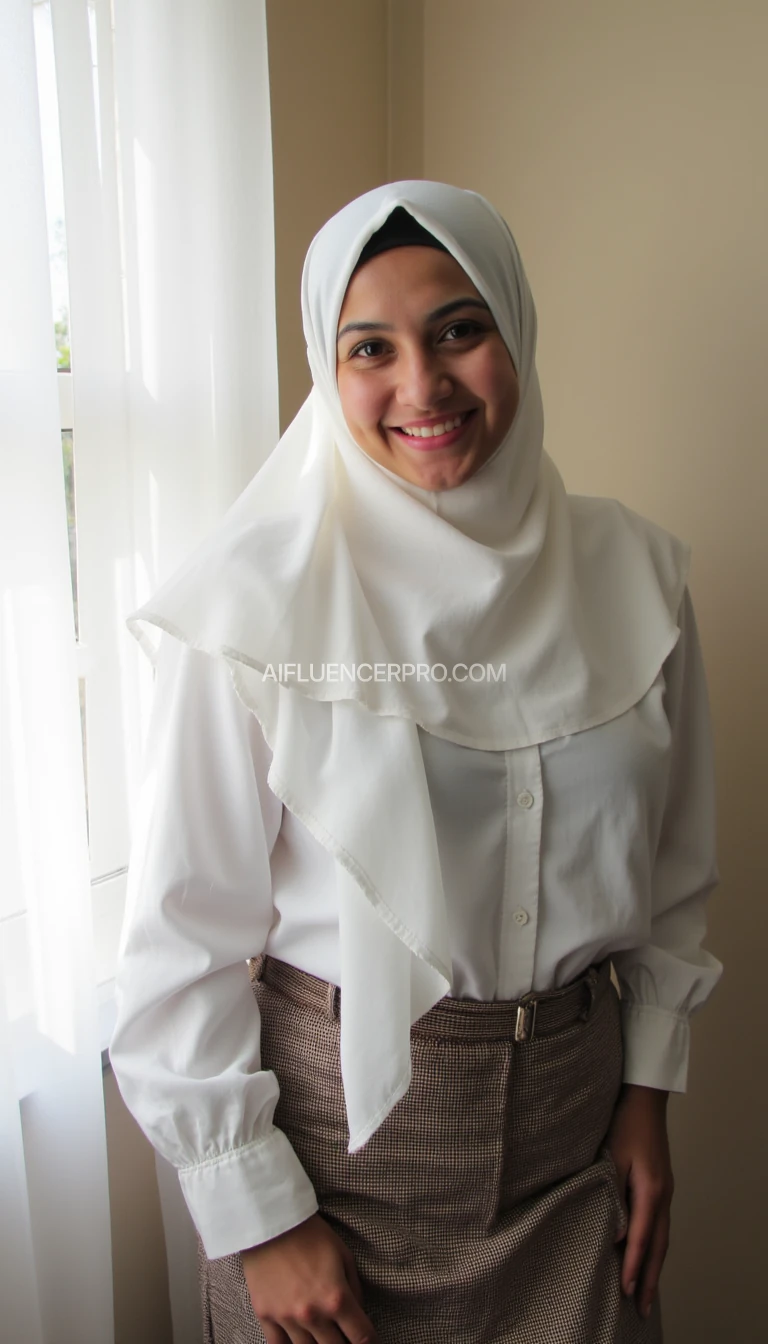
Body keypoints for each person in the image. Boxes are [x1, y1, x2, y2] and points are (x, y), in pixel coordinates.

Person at [110, 181, 722, 1344]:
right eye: (369, 349)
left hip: (576, 1155)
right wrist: (258, 1215)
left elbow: (674, 880)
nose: (422, 386)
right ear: (324, 373)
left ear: (516, 331)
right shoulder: (257, 607)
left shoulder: (638, 579)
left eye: (459, 328)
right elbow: (179, 948)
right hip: (334, 1176)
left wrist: (647, 1096)